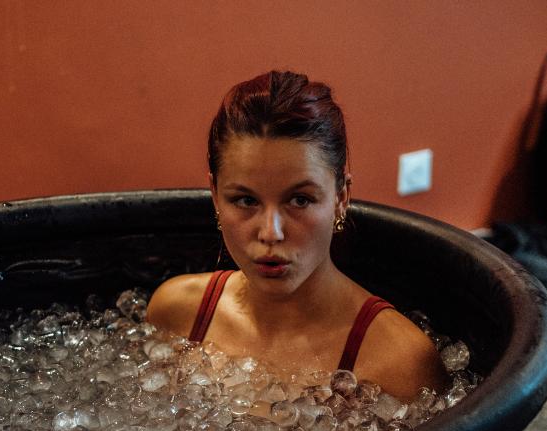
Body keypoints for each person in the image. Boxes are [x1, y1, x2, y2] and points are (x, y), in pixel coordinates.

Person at [147, 70, 446, 403]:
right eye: (245, 200)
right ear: (215, 196)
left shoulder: (399, 362)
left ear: (341, 198)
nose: (270, 232)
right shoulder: (177, 313)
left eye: (300, 200)